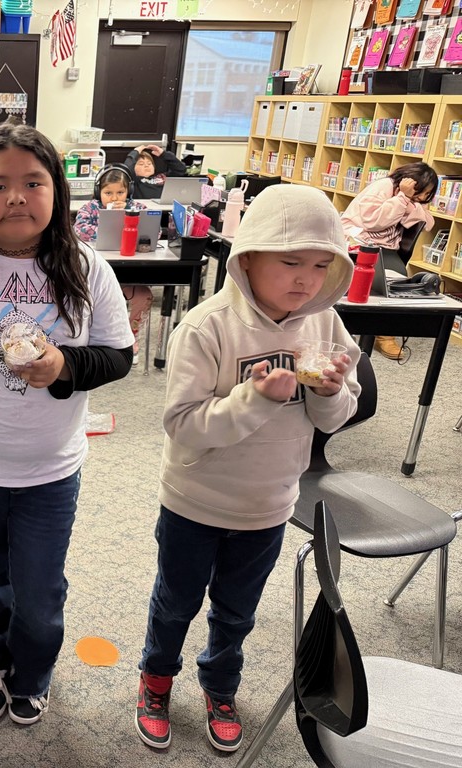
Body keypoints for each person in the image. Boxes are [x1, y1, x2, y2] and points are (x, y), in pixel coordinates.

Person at [135, 184, 361, 754]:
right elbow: (183, 425)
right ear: (248, 258)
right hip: (196, 500)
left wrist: (331, 393)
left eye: (320, 265)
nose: (305, 279)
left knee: (237, 612)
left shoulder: (325, 324)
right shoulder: (206, 327)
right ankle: (156, 681)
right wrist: (255, 400)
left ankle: (220, 686)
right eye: (289, 261)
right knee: (176, 602)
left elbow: (336, 416)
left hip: (269, 504)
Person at [0, 121, 134, 726]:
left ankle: (34, 670)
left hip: (50, 468)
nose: (16, 196)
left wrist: (66, 364)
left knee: (38, 590)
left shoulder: (87, 269)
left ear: (57, 192)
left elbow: (118, 356)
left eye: (32, 182)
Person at [340, 161, 437, 360]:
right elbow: (375, 222)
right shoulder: (383, 187)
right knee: (378, 278)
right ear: (410, 183)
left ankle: (383, 333)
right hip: (358, 241)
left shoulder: (410, 198)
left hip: (386, 248)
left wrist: (409, 202)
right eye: (422, 193)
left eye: (426, 196)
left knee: (396, 281)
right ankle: (369, 332)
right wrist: (403, 198)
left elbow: (427, 222)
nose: (422, 199)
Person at [73, 165, 154, 363]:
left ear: (129, 192)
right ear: (98, 192)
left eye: (120, 192)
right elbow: (79, 230)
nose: (114, 198)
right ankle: (94, 341)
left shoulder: (136, 209)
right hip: (95, 272)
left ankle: (129, 339)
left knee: (144, 296)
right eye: (108, 193)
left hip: (129, 268)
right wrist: (108, 221)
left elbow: (153, 233)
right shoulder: (90, 208)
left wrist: (128, 217)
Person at [122, 143, 188, 200]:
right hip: (147, 209)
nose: (146, 166)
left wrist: (163, 154)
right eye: (141, 164)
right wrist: (135, 152)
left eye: (149, 163)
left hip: (167, 207)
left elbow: (181, 169)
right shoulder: (134, 180)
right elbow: (126, 170)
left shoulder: (162, 177)